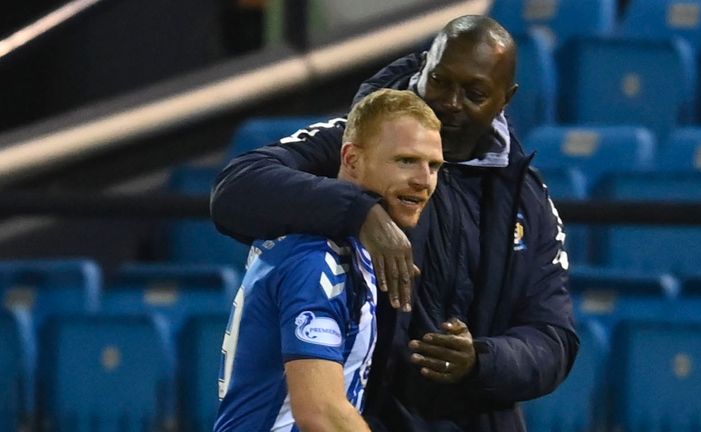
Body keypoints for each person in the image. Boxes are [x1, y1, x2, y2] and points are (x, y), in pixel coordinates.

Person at [211, 15, 578, 432]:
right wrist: (360, 210)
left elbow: (555, 337)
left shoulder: (527, 198)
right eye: (440, 81)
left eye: (474, 93)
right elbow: (235, 189)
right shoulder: (358, 140)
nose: (451, 103)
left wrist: (483, 358)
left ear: (505, 99)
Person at [213, 88, 444, 432]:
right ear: (351, 159)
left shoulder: (346, 252)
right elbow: (321, 413)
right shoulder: (317, 260)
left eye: (434, 165)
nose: (423, 180)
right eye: (406, 160)